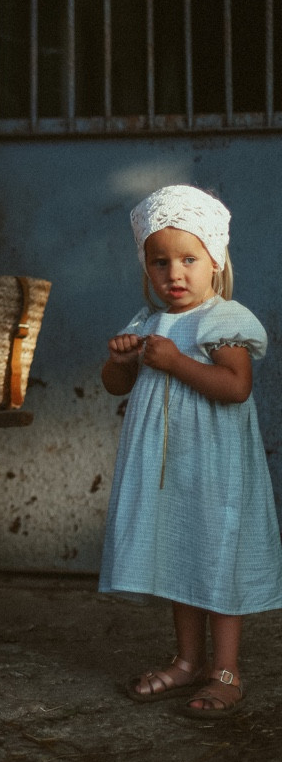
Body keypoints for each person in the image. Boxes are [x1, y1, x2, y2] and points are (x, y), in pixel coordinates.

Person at [98, 183, 282, 718]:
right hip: (170, 471)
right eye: (161, 262)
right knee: (182, 554)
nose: (174, 274)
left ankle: (226, 671)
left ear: (215, 260)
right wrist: (119, 361)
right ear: (146, 267)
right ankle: (187, 660)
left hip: (216, 469)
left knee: (218, 557)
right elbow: (115, 386)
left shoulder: (222, 320)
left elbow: (236, 386)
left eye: (188, 259)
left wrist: (176, 362)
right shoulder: (147, 322)